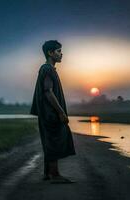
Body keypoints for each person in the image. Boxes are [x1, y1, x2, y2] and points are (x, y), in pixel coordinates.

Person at [30, 40, 76, 183]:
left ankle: (48, 173)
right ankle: (55, 175)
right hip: (50, 114)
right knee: (54, 140)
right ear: (50, 53)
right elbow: (48, 92)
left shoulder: (48, 69)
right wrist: (61, 112)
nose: (61, 54)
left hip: (48, 113)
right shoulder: (47, 69)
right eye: (58, 51)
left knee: (50, 140)